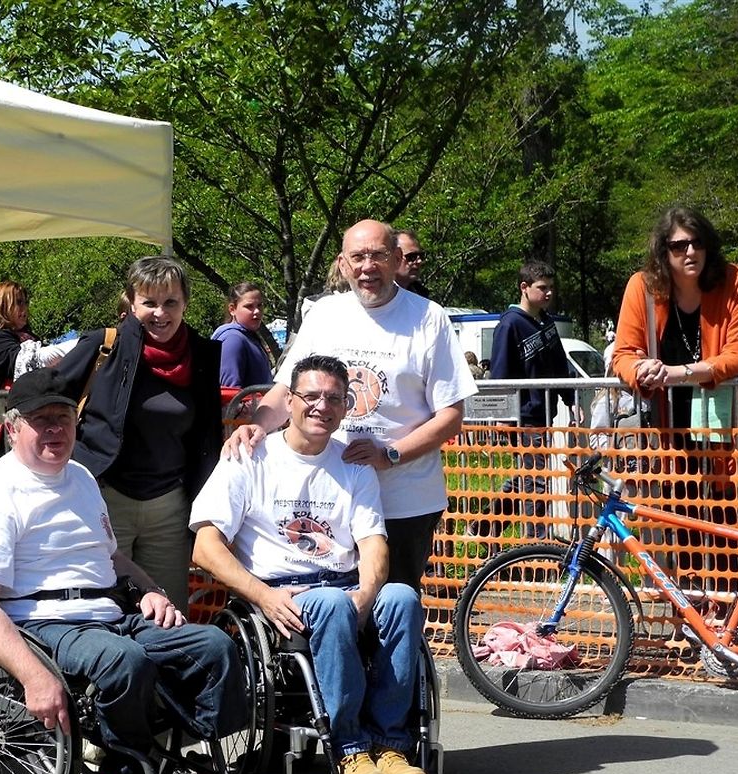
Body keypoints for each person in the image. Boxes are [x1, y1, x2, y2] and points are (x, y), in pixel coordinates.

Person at [0, 368, 246, 771]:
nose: (55, 429)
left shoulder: (82, 478)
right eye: (41, 419)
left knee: (214, 645)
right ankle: (128, 769)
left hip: (110, 615)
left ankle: (192, 756)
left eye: (64, 417)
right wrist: (34, 677)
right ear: (12, 429)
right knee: (125, 661)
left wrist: (152, 592)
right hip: (46, 622)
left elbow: (114, 558)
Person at [191, 355, 427, 774]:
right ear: (290, 401)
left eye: (334, 399)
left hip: (345, 583)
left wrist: (367, 595)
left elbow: (374, 544)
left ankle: (391, 745)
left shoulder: (354, 463)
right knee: (333, 604)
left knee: (401, 598)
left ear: (346, 406)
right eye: (311, 396)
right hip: (281, 590)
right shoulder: (249, 457)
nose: (322, 406)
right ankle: (350, 748)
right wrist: (262, 596)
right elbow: (205, 548)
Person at [224, 220, 478, 593]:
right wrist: (257, 426)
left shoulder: (429, 317)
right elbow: (286, 390)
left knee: (392, 604)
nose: (367, 267)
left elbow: (451, 416)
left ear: (396, 259)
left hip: (403, 501)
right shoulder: (324, 314)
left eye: (378, 255)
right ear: (343, 264)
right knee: (334, 607)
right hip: (332, 498)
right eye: (357, 257)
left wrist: (389, 455)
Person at [56, 256, 223, 606]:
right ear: (132, 303)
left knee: (168, 612)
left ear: (185, 303)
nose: (160, 313)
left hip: (170, 507)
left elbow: (207, 433)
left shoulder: (202, 355)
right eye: (149, 303)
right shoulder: (105, 345)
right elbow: (47, 393)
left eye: (170, 302)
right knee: (106, 608)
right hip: (105, 499)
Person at [611, 205, 738, 584]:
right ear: (664, 252)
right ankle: (693, 603)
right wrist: (642, 370)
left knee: (728, 523)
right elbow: (623, 354)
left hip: (731, 432)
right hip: (672, 434)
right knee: (683, 521)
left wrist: (681, 372)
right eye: (679, 246)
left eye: (697, 243)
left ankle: (726, 605)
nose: (690, 252)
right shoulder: (642, 288)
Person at [485, 260, 580, 539]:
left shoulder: (546, 321)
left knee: (529, 477)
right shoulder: (510, 324)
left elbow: (559, 365)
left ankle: (485, 527)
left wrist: (571, 400)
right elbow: (500, 372)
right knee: (536, 480)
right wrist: (503, 417)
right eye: (542, 287)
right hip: (524, 418)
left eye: (551, 287)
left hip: (544, 414)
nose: (549, 293)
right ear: (524, 288)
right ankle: (537, 542)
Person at [211, 282, 276, 390]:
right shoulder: (232, 339)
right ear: (232, 309)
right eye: (249, 306)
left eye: (260, 305)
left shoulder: (248, 336)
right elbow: (230, 392)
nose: (257, 311)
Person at [395, 229, 430, 299]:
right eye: (412, 257)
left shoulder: (421, 294)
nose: (419, 261)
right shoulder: (377, 294)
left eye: (421, 256)